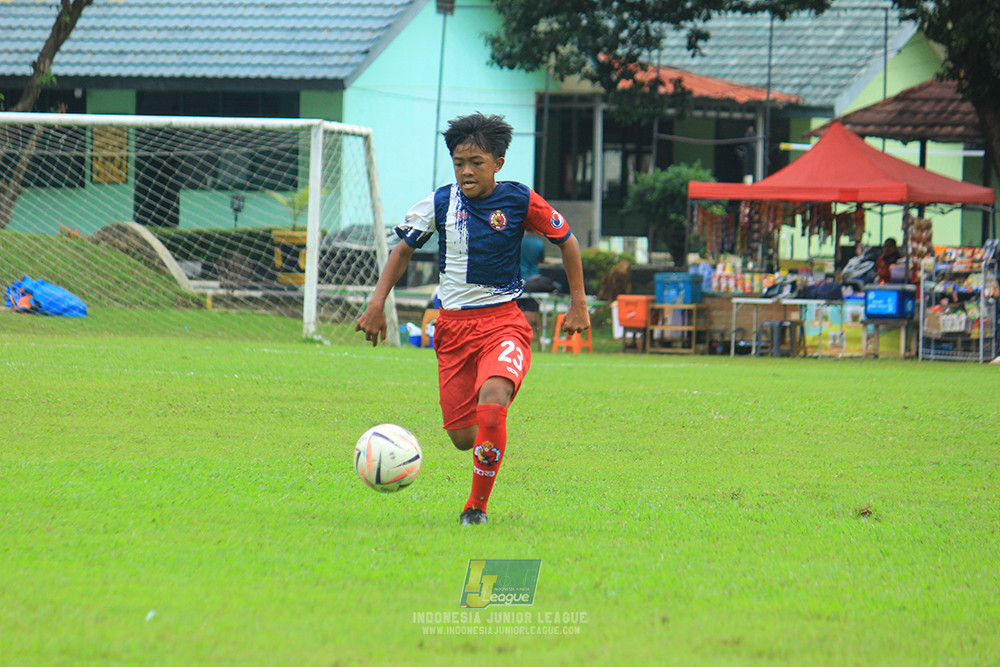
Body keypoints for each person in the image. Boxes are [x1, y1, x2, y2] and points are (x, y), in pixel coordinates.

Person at [355, 112, 590, 526]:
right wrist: (376, 303)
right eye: (459, 162)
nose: (466, 171)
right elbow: (402, 251)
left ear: (498, 163)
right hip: (453, 330)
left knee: (493, 405)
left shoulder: (519, 200)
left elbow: (567, 242)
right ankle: (487, 423)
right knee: (464, 438)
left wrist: (579, 304)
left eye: (476, 163)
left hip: (504, 323)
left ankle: (475, 508)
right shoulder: (439, 203)